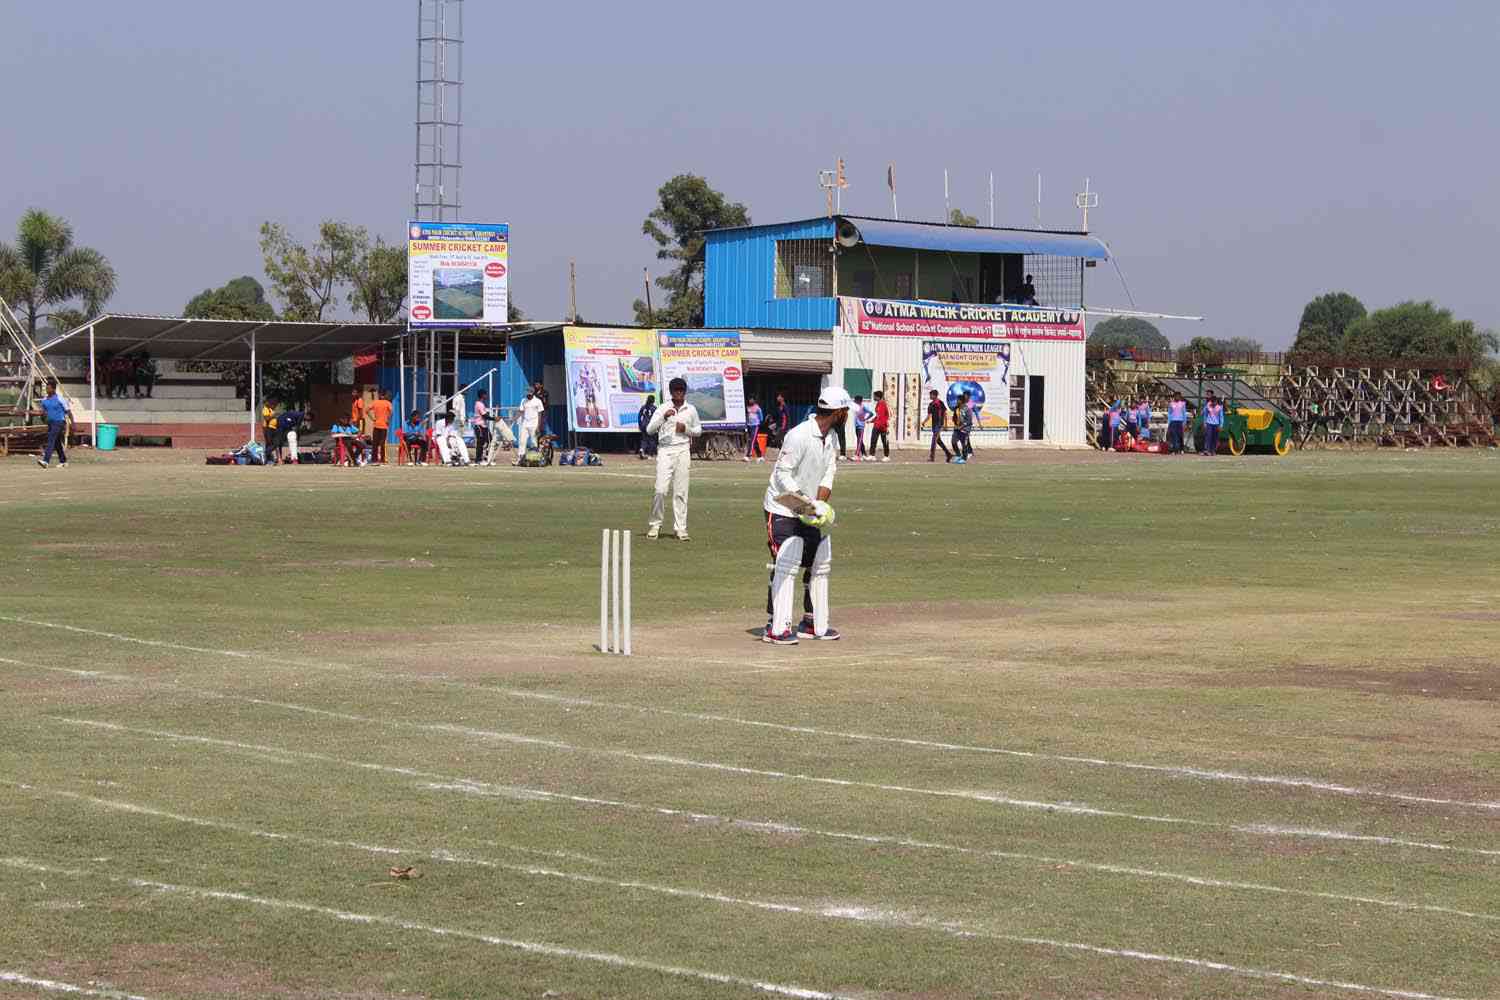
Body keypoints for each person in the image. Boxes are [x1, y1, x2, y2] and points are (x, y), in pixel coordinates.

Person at [762, 386, 851, 644]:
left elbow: (828, 474)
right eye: (845, 411)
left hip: (807, 510)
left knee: (815, 562)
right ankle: (774, 625)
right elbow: (782, 474)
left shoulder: (831, 437)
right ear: (836, 412)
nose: (847, 416)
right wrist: (804, 500)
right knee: (786, 560)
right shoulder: (798, 435)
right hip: (781, 507)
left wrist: (818, 506)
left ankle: (811, 621)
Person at [645, 377, 702, 540]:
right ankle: (655, 524)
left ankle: (681, 528)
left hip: (683, 449)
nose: (679, 394)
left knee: (681, 491)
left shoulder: (690, 409)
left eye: (681, 391)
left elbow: (698, 430)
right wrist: (663, 416)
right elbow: (649, 429)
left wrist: (687, 429)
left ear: (685, 392)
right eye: (676, 391)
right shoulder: (663, 408)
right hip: (665, 450)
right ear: (671, 392)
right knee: (660, 490)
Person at [36, 379, 70, 469]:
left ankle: (45, 461)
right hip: (50, 423)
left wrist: (72, 423)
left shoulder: (60, 398)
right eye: (46, 388)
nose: (47, 390)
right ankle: (63, 461)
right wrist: (43, 417)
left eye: (49, 388)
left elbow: (68, 410)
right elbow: (43, 412)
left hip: (59, 422)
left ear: (53, 389)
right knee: (57, 442)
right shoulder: (44, 400)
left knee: (51, 439)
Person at [922, 388, 951, 462]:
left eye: (931, 395)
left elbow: (944, 414)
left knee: (934, 439)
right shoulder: (931, 405)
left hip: (939, 424)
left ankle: (932, 457)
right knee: (938, 441)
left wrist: (945, 425)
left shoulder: (940, 403)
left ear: (935, 395)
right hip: (934, 425)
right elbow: (929, 416)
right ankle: (948, 454)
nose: (930, 396)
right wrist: (924, 422)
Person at [516, 386, 544, 460]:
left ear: (532, 393)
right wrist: (513, 419)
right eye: (527, 393)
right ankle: (520, 458)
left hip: (534, 424)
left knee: (533, 442)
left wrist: (538, 426)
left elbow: (540, 414)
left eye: (529, 393)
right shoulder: (523, 401)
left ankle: (534, 458)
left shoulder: (538, 401)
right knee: (522, 441)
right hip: (525, 423)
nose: (528, 395)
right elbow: (521, 411)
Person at [369, 389, 394, 465]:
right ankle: (382, 460)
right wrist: (388, 420)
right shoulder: (388, 403)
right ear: (385, 395)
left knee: (375, 443)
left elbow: (366, 410)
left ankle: (374, 460)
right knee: (382, 443)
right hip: (384, 426)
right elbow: (391, 412)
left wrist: (372, 418)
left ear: (380, 395)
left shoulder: (375, 402)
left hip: (376, 425)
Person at [471, 390, 491, 466]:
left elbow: (485, 414)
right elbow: (484, 415)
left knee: (489, 441)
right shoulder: (479, 404)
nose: (487, 396)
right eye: (485, 394)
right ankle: (479, 459)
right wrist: (494, 418)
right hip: (479, 426)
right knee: (481, 443)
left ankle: (485, 458)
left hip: (483, 426)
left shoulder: (481, 404)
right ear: (482, 395)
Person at [870, 390, 891, 462]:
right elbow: (877, 416)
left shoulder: (882, 404)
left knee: (884, 441)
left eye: (874, 396)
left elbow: (882, 416)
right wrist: (871, 421)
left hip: (882, 426)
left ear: (878, 397)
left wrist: (884, 426)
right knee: (873, 440)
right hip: (877, 425)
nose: (873, 397)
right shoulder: (878, 404)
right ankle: (872, 455)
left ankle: (886, 456)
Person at [743, 395, 765, 462]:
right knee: (754, 441)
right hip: (749, 425)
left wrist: (758, 423)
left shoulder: (757, 408)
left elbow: (761, 417)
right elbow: (747, 416)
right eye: (749, 399)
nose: (750, 401)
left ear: (754, 400)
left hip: (755, 426)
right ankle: (760, 456)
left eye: (752, 399)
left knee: (751, 441)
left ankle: (748, 455)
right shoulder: (748, 407)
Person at [637, 394, 657, 460]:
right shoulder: (654, 408)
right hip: (650, 425)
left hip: (643, 425)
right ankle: (650, 455)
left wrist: (640, 424)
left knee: (644, 439)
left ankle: (642, 449)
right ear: (653, 400)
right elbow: (657, 418)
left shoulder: (643, 407)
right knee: (652, 440)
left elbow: (639, 416)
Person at [851, 394, 870, 461]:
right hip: (856, 426)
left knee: (859, 441)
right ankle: (864, 454)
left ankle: (857, 455)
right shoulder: (856, 407)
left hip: (861, 426)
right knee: (860, 441)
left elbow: (870, 413)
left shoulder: (863, 407)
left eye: (855, 400)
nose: (854, 401)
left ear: (859, 401)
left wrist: (865, 418)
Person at [261, 398, 280, 464]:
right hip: (268, 428)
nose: (275, 407)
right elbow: (266, 418)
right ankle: (265, 455)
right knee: (271, 444)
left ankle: (267, 458)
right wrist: (273, 415)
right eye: (274, 405)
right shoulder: (266, 409)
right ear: (271, 404)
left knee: (273, 444)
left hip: (273, 428)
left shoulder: (271, 409)